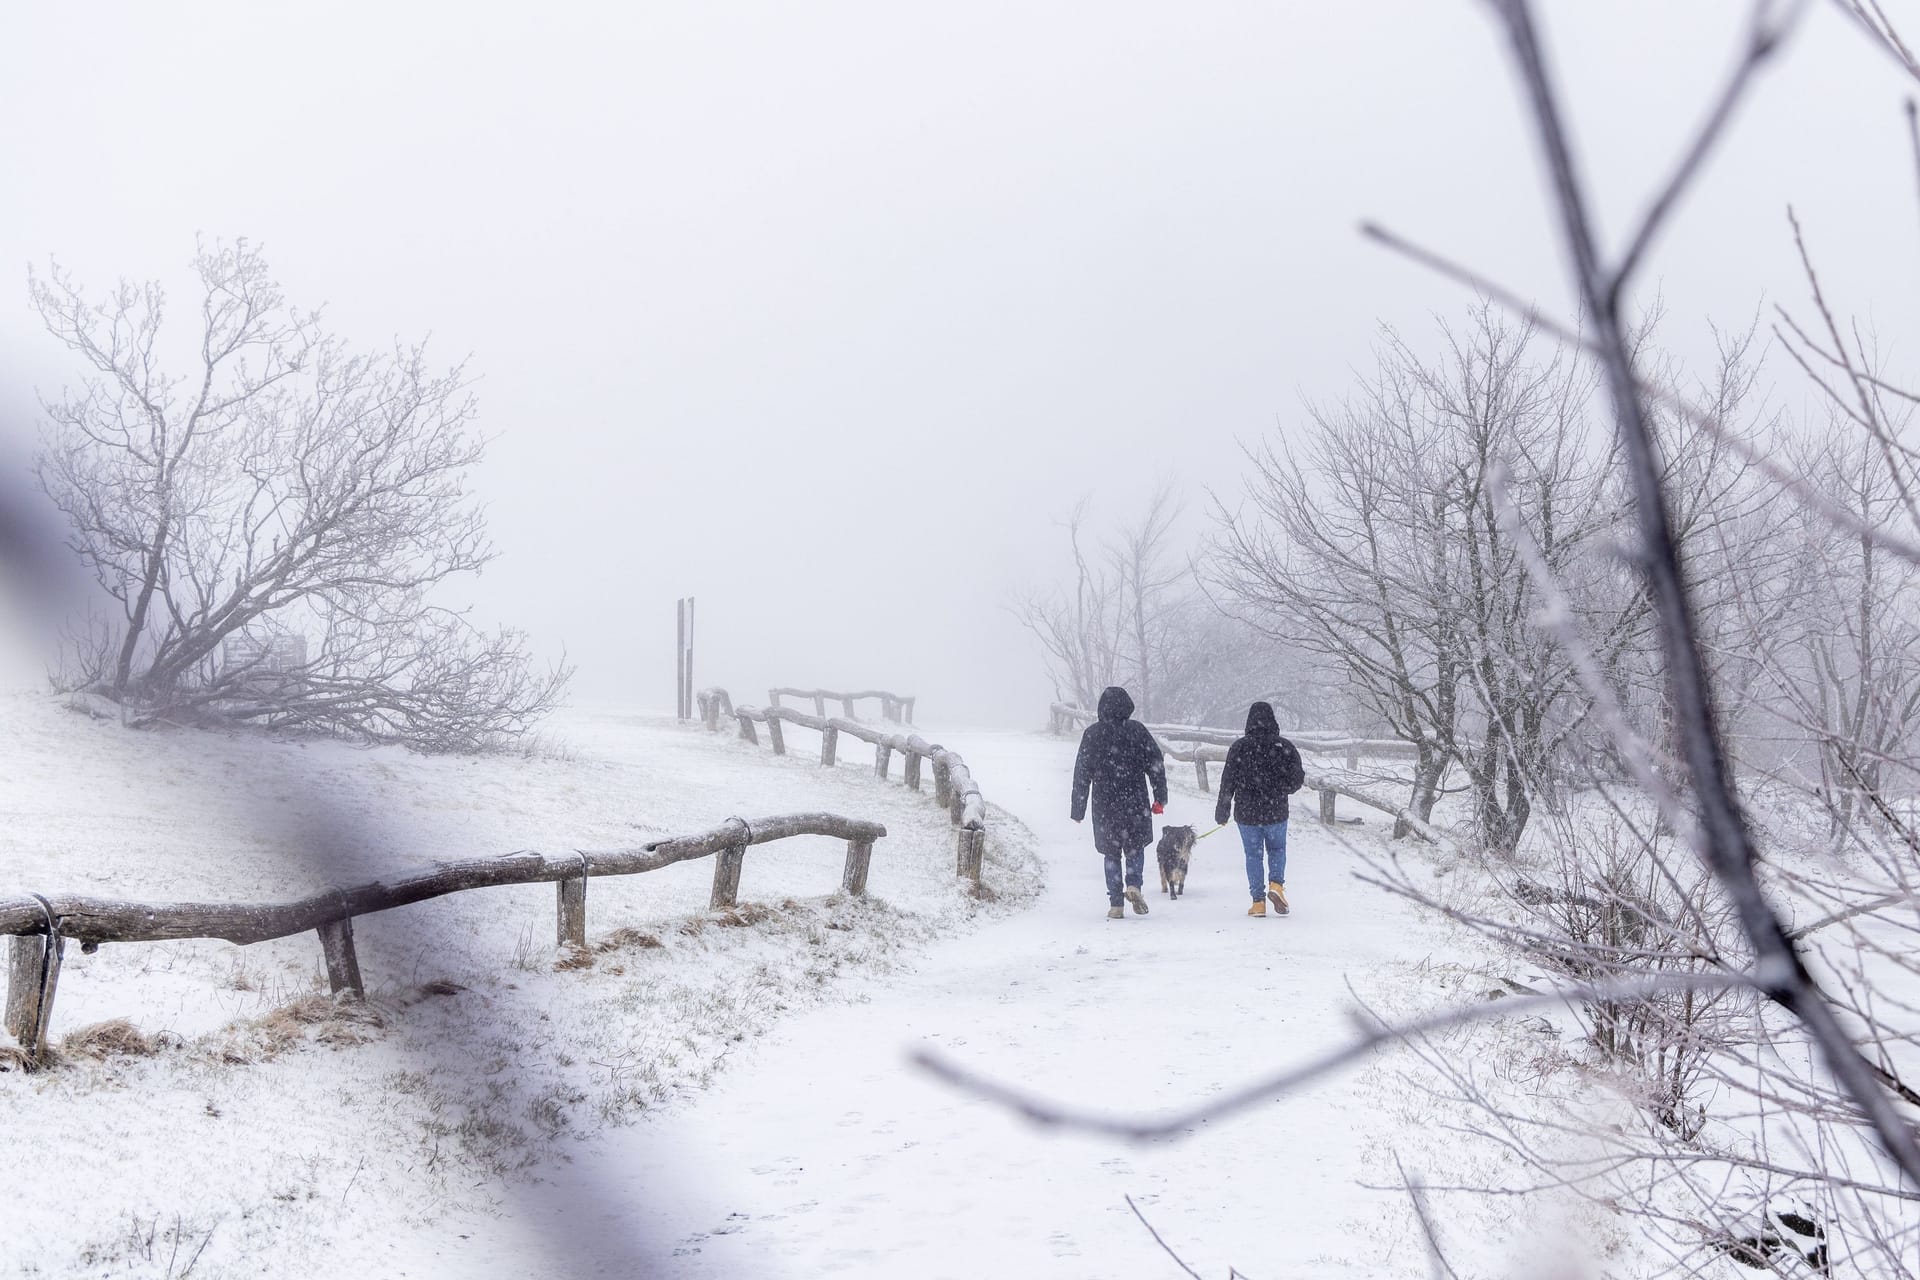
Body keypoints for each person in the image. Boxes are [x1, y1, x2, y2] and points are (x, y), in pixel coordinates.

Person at [1070, 686, 1168, 920]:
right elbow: (1155, 764)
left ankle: (1116, 904)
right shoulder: (1137, 731)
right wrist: (1160, 796)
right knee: (1135, 847)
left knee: (1111, 853)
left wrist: (1078, 808)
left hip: (1105, 804)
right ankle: (1133, 885)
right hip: (1135, 800)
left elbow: (1081, 773)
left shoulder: (1092, 734)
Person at [1214, 701, 1305, 918]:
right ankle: (1276, 885)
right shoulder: (1284, 746)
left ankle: (1257, 902)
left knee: (1253, 855)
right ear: (1272, 719)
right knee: (1277, 850)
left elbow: (1227, 781)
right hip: (1276, 811)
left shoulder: (1239, 747)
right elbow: (1298, 778)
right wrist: (1281, 789)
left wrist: (1223, 809)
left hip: (1247, 813)